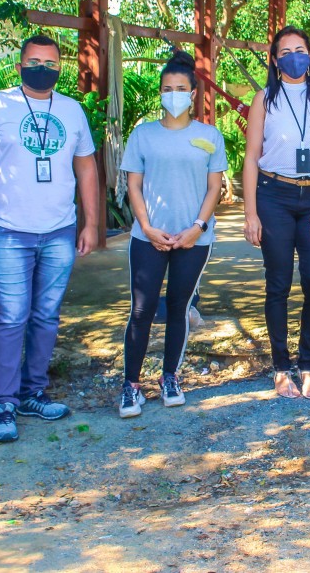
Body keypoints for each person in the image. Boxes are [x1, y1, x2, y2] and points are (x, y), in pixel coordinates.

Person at [0, 34, 99, 442]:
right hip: (7, 231)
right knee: (10, 317)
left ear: (60, 67)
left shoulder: (71, 111)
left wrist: (91, 223)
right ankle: (3, 404)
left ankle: (33, 392)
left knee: (46, 317)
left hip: (58, 231)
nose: (43, 67)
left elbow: (87, 169)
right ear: (19, 67)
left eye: (51, 62)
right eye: (34, 61)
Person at [117, 50, 227, 418]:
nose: (174, 94)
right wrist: (147, 227)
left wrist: (197, 228)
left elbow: (214, 188)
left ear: (193, 93)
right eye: (167, 88)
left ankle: (170, 377)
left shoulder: (210, 136)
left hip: (194, 238)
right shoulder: (143, 136)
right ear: (160, 92)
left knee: (179, 307)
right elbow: (134, 186)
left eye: (181, 88)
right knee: (142, 309)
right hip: (148, 237)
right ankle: (131, 385)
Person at [242, 25, 310, 399]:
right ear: (274, 60)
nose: (293, 57)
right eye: (284, 52)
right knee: (279, 284)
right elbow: (251, 158)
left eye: (299, 49)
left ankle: (308, 365)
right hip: (275, 197)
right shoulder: (264, 99)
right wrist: (251, 213)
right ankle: (281, 368)